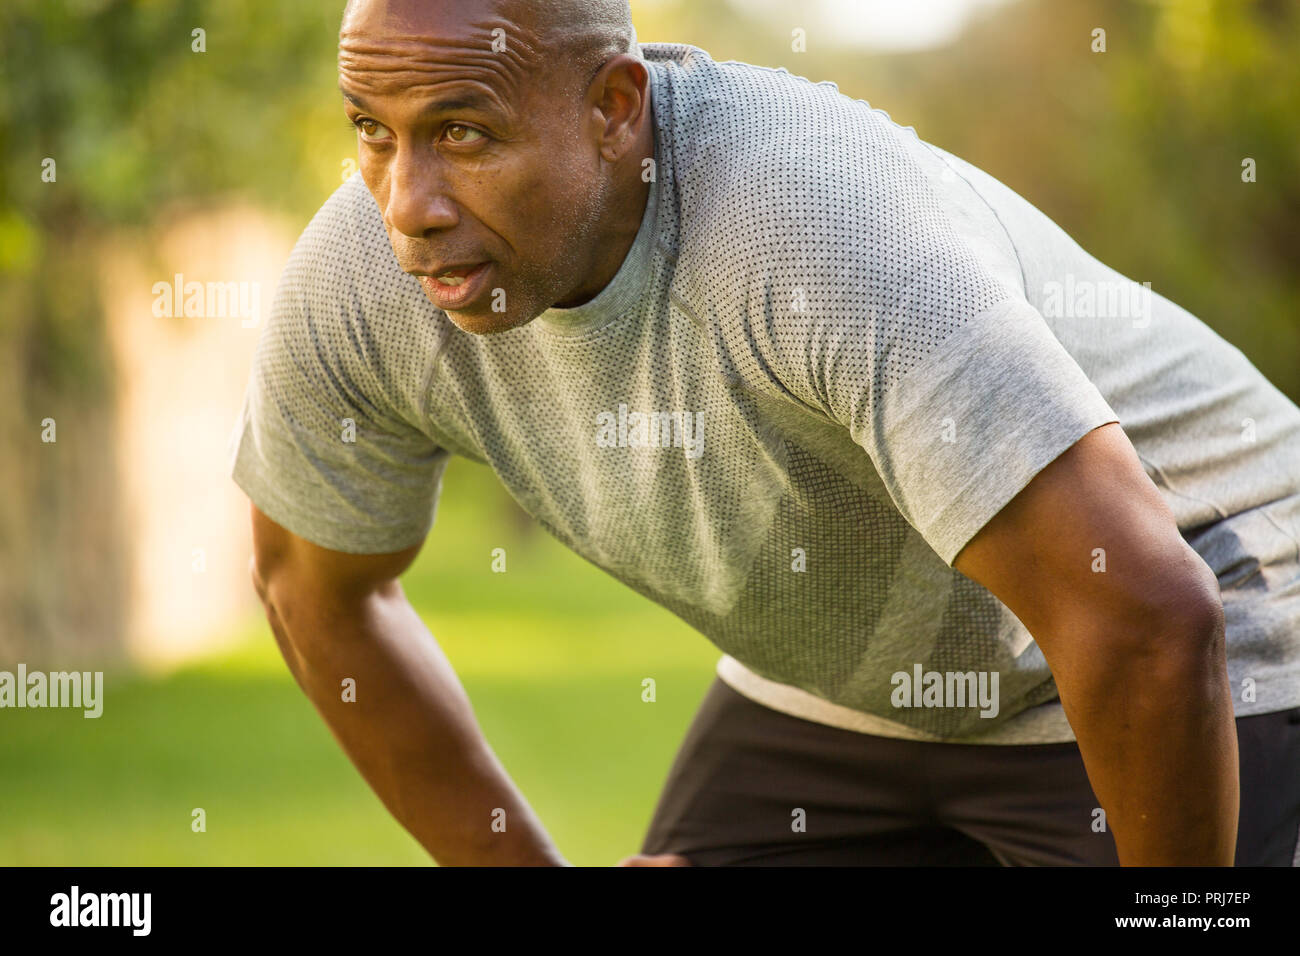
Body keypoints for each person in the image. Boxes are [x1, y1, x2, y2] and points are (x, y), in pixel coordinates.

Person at [228, 0, 1300, 866]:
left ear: (612, 106)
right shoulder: (363, 283)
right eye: (373, 129)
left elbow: (1147, 614)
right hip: (845, 686)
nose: (406, 202)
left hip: (1206, 603)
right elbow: (314, 590)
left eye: (463, 132)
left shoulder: (812, 226)